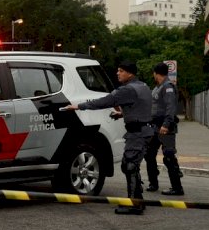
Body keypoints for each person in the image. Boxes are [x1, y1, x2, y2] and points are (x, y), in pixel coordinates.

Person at [62, 61, 153, 215]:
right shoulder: (142, 86)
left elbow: (104, 101)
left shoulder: (127, 89)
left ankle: (134, 204)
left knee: (130, 166)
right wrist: (122, 114)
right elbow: (140, 106)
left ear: (129, 73)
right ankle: (138, 200)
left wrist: (78, 106)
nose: (117, 73)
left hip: (137, 133)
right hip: (142, 130)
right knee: (129, 165)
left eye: (120, 70)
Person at [145, 62, 184, 196]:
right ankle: (153, 183)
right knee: (149, 154)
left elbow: (170, 108)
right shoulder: (157, 88)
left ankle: (177, 188)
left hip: (165, 127)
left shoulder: (168, 87)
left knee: (168, 156)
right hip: (155, 127)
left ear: (156, 73)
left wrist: (166, 125)